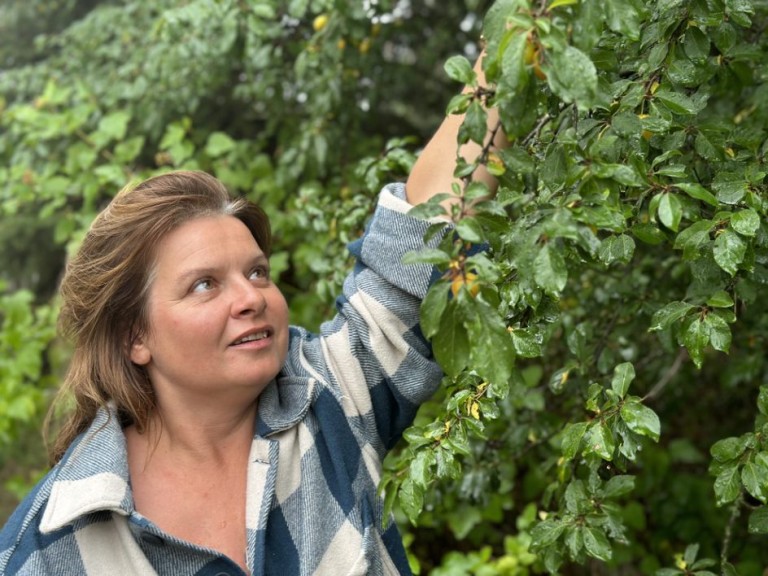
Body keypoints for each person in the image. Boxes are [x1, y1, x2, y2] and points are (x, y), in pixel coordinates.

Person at [0, 51, 503, 575]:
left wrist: (519, 32)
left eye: (258, 272)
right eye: (204, 285)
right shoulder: (50, 549)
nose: (251, 297)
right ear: (134, 336)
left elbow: (424, 239)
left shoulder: (330, 398)